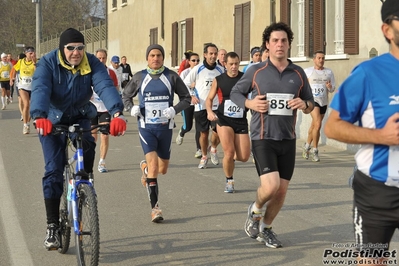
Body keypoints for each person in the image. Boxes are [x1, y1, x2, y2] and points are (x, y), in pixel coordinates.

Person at [30, 28, 127, 250]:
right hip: (51, 119)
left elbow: (104, 85)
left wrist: (117, 113)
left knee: (89, 143)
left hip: (81, 114)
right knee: (54, 170)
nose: (76, 52)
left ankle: (86, 182)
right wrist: (39, 116)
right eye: (71, 48)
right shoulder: (47, 63)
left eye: (80, 48)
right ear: (62, 49)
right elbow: (41, 88)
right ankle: (53, 226)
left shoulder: (92, 62)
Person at [325, 1, 399, 264]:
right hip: (378, 193)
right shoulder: (369, 73)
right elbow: (332, 126)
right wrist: (383, 136)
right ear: (387, 29)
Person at [230, 22, 314, 248]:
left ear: (289, 45)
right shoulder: (255, 71)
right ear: (267, 45)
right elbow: (235, 92)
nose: (280, 44)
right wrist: (249, 103)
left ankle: (266, 228)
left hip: (287, 138)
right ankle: (255, 210)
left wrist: (303, 103)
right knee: (270, 186)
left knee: (282, 190)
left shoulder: (298, 73)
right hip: (262, 137)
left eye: (284, 41)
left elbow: (310, 103)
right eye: (275, 41)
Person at [123, 44, 190, 223]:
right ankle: (155, 209)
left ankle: (145, 168)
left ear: (162, 57)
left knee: (162, 169)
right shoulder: (139, 77)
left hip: (165, 128)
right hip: (146, 128)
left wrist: (174, 110)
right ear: (147, 58)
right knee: (155, 168)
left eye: (158, 55)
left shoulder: (171, 76)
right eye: (152, 55)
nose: (155, 58)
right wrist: (132, 108)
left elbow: (187, 99)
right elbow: (125, 96)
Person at [206, 51, 250, 193]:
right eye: (231, 64)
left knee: (243, 156)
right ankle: (229, 180)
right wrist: (209, 112)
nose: (234, 67)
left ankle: (230, 160)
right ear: (225, 64)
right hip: (224, 119)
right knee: (229, 152)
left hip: (241, 120)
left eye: (236, 64)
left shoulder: (245, 79)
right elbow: (209, 99)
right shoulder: (219, 80)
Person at [184, 43, 224, 169]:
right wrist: (191, 96)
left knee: (217, 132)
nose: (213, 56)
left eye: (215, 53)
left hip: (216, 106)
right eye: (210, 53)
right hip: (201, 106)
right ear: (205, 55)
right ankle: (204, 156)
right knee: (204, 134)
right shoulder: (197, 69)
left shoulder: (221, 70)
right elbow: (184, 83)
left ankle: (213, 149)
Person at [302, 50, 335, 162]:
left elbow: (332, 88)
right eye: (319, 58)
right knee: (318, 124)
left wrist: (329, 86)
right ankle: (315, 151)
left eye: (323, 58)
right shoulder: (307, 71)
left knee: (314, 126)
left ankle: (307, 145)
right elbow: (302, 86)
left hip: (323, 102)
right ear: (314, 59)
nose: (321, 60)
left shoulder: (329, 72)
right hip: (312, 101)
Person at [91, 48, 120, 173]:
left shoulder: (111, 73)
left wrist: (115, 107)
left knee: (104, 136)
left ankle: (102, 161)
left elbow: (116, 89)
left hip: (105, 108)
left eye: (103, 58)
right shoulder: (89, 71)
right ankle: (89, 160)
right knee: (92, 137)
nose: (101, 60)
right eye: (99, 58)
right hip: (91, 106)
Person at [176, 52, 202, 158]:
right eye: (193, 60)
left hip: (199, 103)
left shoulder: (201, 72)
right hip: (187, 103)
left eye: (197, 60)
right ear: (189, 62)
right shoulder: (185, 73)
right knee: (188, 127)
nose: (196, 62)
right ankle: (182, 132)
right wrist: (190, 92)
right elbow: (181, 89)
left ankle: (199, 149)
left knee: (199, 127)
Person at [10, 46, 36, 134]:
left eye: (33, 53)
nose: (32, 54)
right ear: (26, 54)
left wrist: (35, 63)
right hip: (23, 87)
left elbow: (37, 72)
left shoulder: (35, 62)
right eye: (30, 53)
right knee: (27, 104)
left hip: (33, 87)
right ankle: (25, 125)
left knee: (33, 107)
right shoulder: (21, 62)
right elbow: (14, 69)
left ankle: (28, 121)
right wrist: (12, 78)